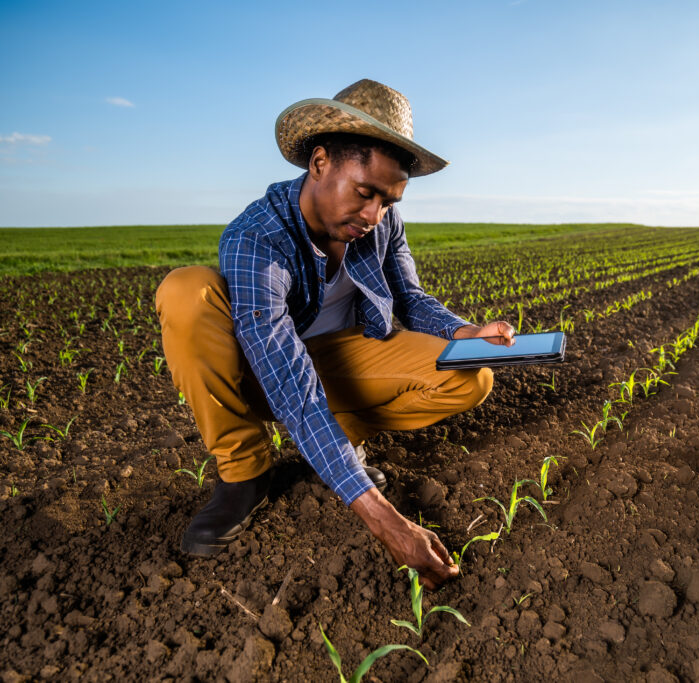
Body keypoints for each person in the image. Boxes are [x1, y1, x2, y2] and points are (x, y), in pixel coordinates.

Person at [156, 79, 513, 589]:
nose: (374, 216)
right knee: (185, 290)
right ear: (320, 163)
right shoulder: (257, 235)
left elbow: (408, 298)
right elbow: (288, 379)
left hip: (337, 360)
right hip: (260, 372)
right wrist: (382, 517)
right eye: (365, 193)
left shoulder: (383, 224)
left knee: (468, 375)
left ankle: (339, 441)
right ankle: (245, 472)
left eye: (388, 202)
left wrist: (464, 330)